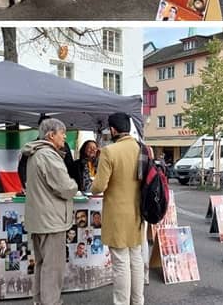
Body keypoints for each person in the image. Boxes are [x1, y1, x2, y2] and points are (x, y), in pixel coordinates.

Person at [21, 118, 78, 305]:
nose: (64, 137)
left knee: (42, 265)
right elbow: (65, 187)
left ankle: (40, 301)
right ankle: (50, 302)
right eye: (62, 133)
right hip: (51, 221)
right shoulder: (48, 155)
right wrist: (75, 185)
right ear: (51, 135)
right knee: (53, 269)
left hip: (40, 219)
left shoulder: (35, 153)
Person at [91, 112, 144, 305]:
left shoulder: (110, 151)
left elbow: (99, 186)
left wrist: (92, 184)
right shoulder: (142, 148)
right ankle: (138, 301)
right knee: (136, 257)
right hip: (138, 211)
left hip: (117, 214)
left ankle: (121, 303)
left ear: (113, 130)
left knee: (121, 262)